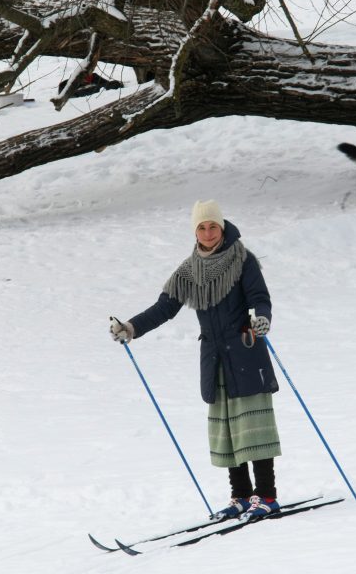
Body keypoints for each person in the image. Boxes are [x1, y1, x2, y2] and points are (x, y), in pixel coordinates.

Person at [110, 199, 283, 520]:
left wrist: (263, 318)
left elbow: (260, 297)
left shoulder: (243, 260)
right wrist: (131, 328)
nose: (207, 232)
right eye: (201, 227)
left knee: (253, 427)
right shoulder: (189, 271)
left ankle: (268, 496)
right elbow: (164, 307)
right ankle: (242, 497)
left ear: (222, 226)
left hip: (246, 350)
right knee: (228, 430)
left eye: (212, 226)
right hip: (215, 359)